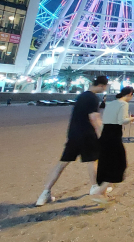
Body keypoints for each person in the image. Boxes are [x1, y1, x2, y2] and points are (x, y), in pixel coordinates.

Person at [35, 75, 108, 206]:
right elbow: (94, 119)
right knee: (92, 161)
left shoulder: (81, 96)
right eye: (105, 87)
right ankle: (95, 187)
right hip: (87, 134)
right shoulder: (93, 98)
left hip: (73, 134)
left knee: (62, 164)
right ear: (102, 85)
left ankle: (44, 193)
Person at [93, 86, 134, 202]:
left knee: (106, 163)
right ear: (130, 94)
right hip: (114, 135)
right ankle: (99, 193)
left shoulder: (111, 103)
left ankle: (103, 193)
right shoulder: (123, 104)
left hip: (105, 134)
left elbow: (107, 119)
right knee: (120, 163)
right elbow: (121, 121)